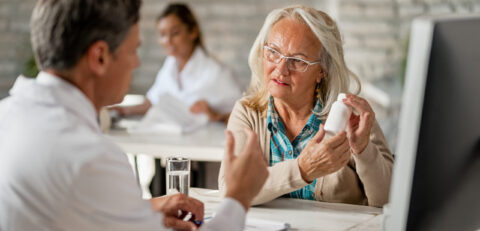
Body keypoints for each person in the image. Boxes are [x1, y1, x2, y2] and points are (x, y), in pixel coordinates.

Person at [0, 1, 268, 231]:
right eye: (133, 50)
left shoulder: (7, 115)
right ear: (100, 57)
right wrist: (237, 198)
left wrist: (143, 208)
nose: (136, 63)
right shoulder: (92, 157)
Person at [218, 5, 394, 208]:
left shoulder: (353, 118)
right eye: (273, 52)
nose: (281, 69)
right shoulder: (248, 112)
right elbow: (231, 190)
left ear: (322, 71)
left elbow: (389, 203)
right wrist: (303, 169)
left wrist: (364, 150)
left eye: (297, 60)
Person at [111, 3, 242, 123]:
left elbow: (247, 116)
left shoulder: (217, 73)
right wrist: (119, 110)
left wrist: (217, 116)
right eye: (162, 34)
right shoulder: (169, 66)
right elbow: (152, 102)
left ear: (193, 32)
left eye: (175, 33)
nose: (167, 41)